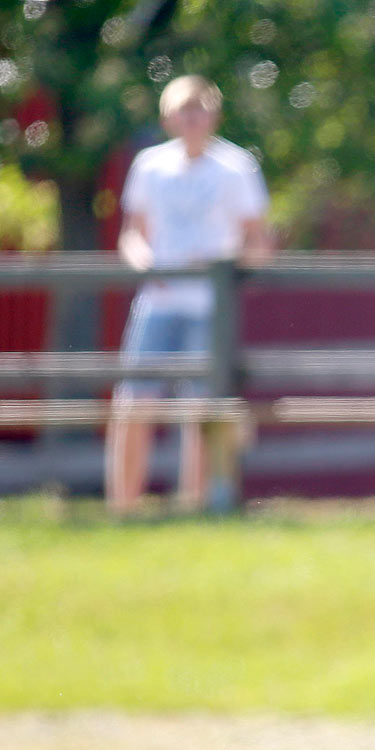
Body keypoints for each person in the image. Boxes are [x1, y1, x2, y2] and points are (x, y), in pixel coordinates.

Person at [105, 74, 271, 515]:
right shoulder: (149, 166)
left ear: (214, 116)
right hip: (156, 303)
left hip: (207, 306)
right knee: (133, 405)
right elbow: (132, 235)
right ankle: (124, 508)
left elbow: (259, 244)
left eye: (200, 109)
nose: (193, 118)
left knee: (203, 409)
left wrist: (217, 263)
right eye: (184, 109)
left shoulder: (236, 167)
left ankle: (195, 506)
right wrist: (147, 265)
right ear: (168, 117)